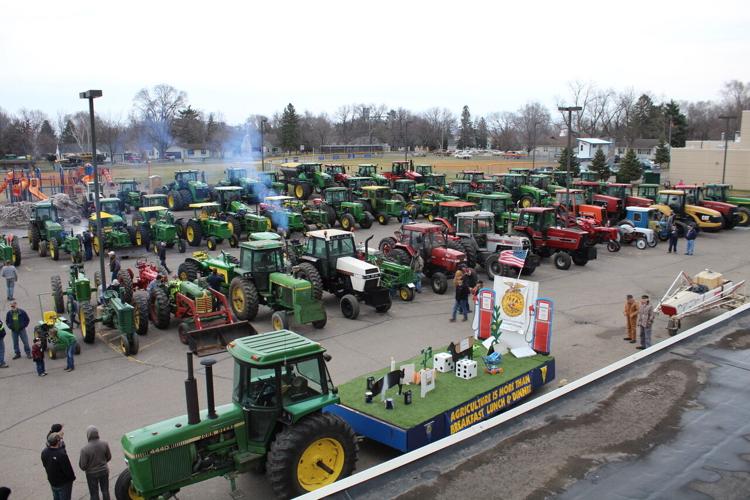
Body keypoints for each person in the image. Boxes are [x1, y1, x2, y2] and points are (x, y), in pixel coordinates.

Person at [79, 426, 112, 500]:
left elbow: (83, 465)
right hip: (104, 471)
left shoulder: (84, 449)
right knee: (105, 490)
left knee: (94, 493)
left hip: (91, 474)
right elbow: (109, 457)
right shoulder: (104, 444)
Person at [41, 432, 76, 500]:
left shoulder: (44, 452)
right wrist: (72, 478)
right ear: (57, 442)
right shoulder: (61, 454)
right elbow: (68, 469)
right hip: (63, 483)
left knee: (56, 497)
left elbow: (44, 464)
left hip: (52, 481)